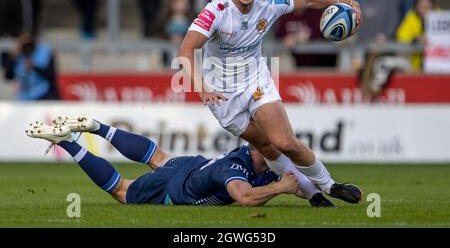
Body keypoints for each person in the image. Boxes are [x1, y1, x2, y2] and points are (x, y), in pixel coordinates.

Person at [177, 0, 364, 203]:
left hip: (256, 81)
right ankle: (312, 195)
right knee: (266, 147)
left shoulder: (268, 2)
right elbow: (185, 52)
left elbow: (308, 0)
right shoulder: (216, 11)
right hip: (222, 95)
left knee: (284, 142)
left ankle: (330, 185)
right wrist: (202, 89)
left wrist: (348, 2)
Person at [25, 116, 336, 207]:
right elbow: (244, 198)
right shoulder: (238, 168)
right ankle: (68, 143)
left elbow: (298, 181)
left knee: (157, 156)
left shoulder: (267, 165)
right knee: (121, 191)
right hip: (174, 186)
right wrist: (282, 189)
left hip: (189, 165)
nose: (277, 152)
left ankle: (98, 127)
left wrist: (321, 194)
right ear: (256, 147)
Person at [274, 0, 336, 68]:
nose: (299, 0)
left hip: (316, 63)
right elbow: (278, 37)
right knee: (277, 62)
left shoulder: (316, 13)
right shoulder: (285, 15)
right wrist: (291, 38)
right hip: (293, 62)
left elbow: (323, 36)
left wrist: (303, 38)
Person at [1, 33, 60, 100]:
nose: (27, 48)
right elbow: (8, 77)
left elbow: (52, 75)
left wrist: (34, 66)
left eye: (29, 45)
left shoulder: (45, 52)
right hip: (24, 97)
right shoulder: (18, 56)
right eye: (24, 45)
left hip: (44, 94)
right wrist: (13, 58)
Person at [396, 0, 437, 72]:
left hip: (437, 63)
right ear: (416, 7)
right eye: (422, 7)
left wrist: (433, 39)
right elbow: (401, 35)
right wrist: (416, 38)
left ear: (433, 6)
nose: (424, 10)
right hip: (415, 62)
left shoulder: (441, 18)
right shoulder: (411, 18)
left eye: (427, 7)